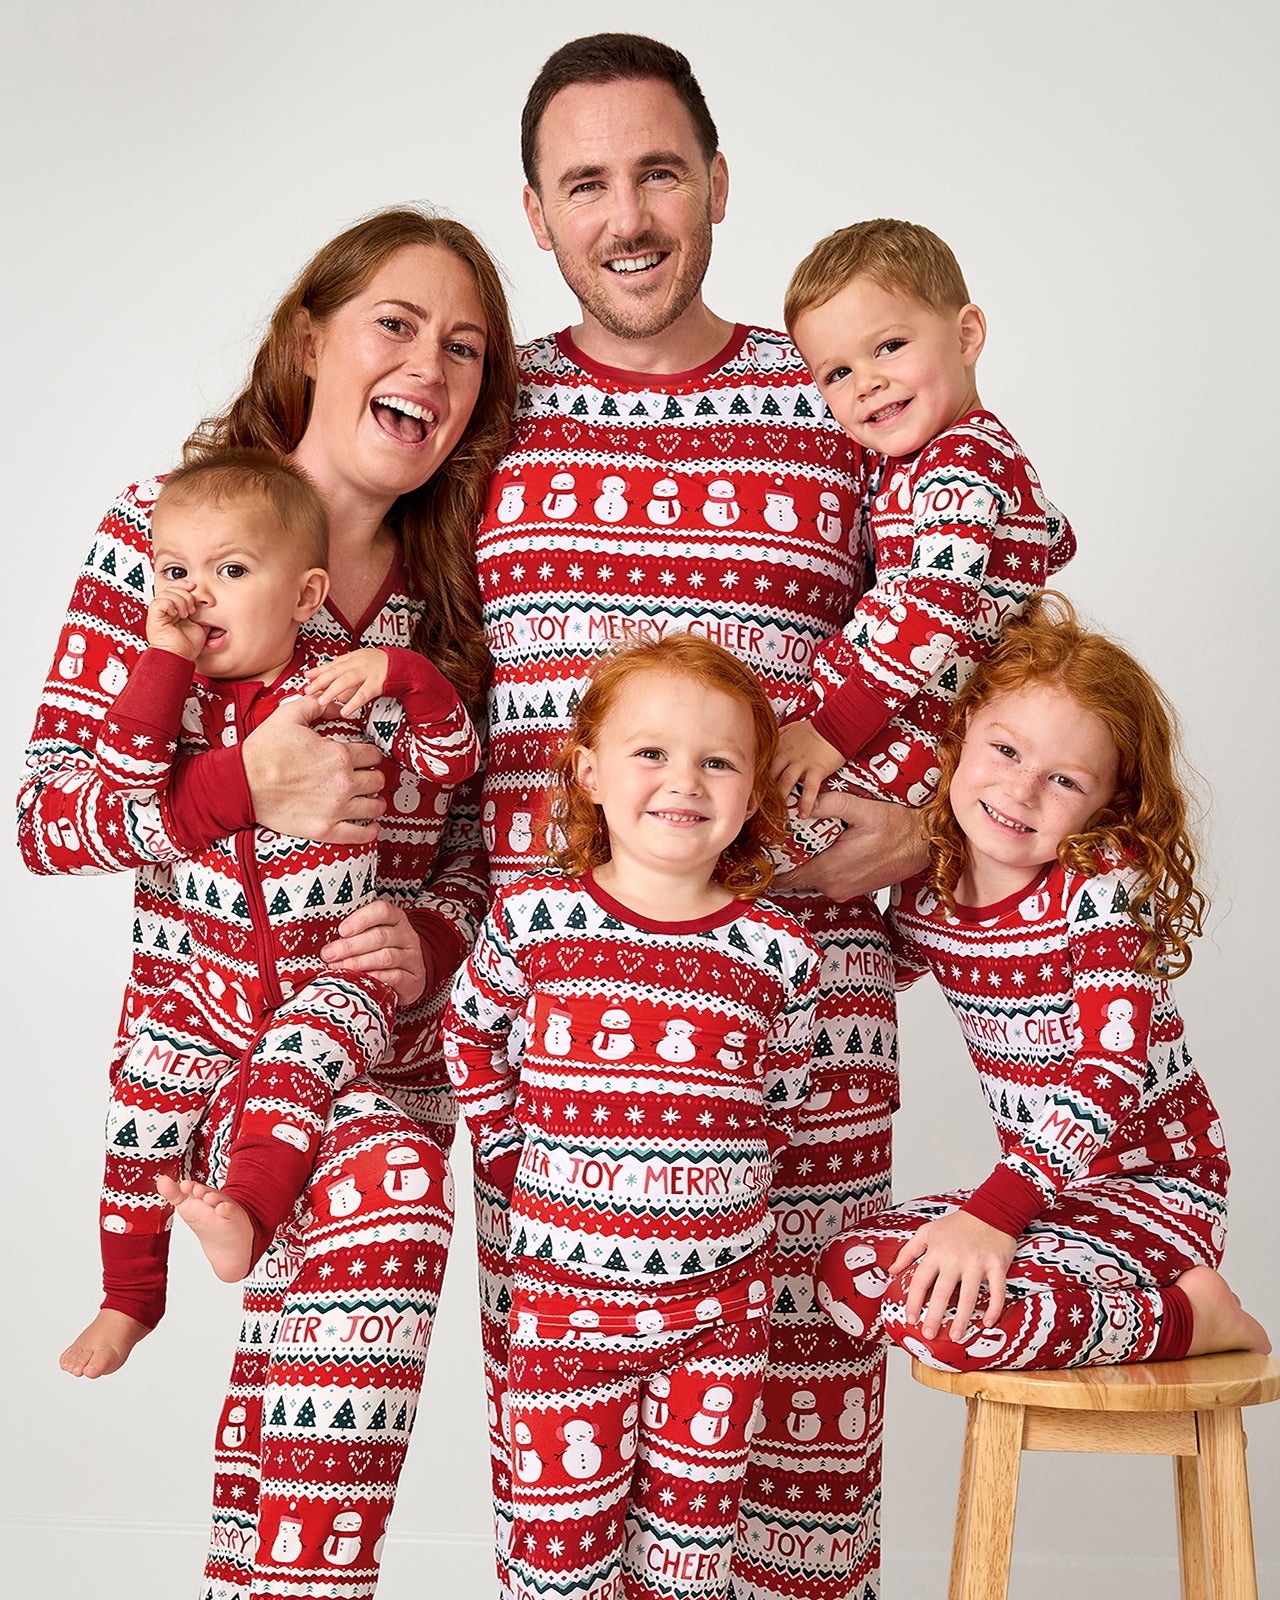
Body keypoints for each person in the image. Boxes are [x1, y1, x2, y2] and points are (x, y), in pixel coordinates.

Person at [474, 31, 925, 1600]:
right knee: (572, 1525)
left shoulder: (836, 393)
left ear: (719, 183)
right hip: (565, 1067)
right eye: (584, 183)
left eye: (659, 170)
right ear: (535, 215)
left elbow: (995, 654)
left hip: (812, 1041)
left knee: (797, 1503)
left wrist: (928, 839)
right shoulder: (479, 422)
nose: (629, 215)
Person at [19, 208, 517, 1597]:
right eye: (398, 324)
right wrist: (246, 780)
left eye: (466, 347)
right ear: (312, 339)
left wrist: (430, 938)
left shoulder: (460, 589)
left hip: (366, 1050)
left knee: (332, 1387)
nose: (432, 364)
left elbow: (490, 849)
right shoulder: (164, 537)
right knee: (299, 1421)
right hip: (199, 1041)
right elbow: (50, 821)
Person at [61, 450, 481, 1371]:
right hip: (208, 984)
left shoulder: (336, 686)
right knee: (139, 1101)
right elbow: (124, 782)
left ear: (303, 596)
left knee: (300, 1069)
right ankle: (129, 1297)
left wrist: (405, 673)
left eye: (230, 572)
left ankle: (244, 1217)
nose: (193, 595)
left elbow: (453, 761)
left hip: (335, 977)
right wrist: (164, 663)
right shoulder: (172, 703)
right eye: (173, 572)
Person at [444, 634, 822, 1600]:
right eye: (651, 752)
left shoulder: (777, 950)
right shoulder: (535, 919)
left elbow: (785, 1090)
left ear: (748, 796)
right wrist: (511, 1146)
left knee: (689, 1560)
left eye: (718, 760)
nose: (682, 780)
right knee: (559, 1554)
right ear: (589, 773)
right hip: (568, 1304)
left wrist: (720, 1179)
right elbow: (471, 1030)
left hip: (721, 1311)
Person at [814, 597, 1270, 1370]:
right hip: (1048, 1200)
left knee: (947, 1330)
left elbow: (1110, 1071)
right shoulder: (929, 891)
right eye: (1005, 752)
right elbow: (874, 970)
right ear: (958, 738)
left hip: (1153, 1192)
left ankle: (1193, 1319)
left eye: (1063, 779)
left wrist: (992, 1217)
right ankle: (1088, 1308)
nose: (1021, 792)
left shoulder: (1100, 886)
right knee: (848, 1271)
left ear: (1110, 805)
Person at [775, 219, 1076, 839]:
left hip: (901, 728)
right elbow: (1056, 537)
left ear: (966, 336)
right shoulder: (951, 458)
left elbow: (934, 612)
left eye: (888, 346)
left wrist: (830, 733)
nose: (867, 381)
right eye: (835, 373)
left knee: (756, 839)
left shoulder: (958, 461)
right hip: (888, 711)